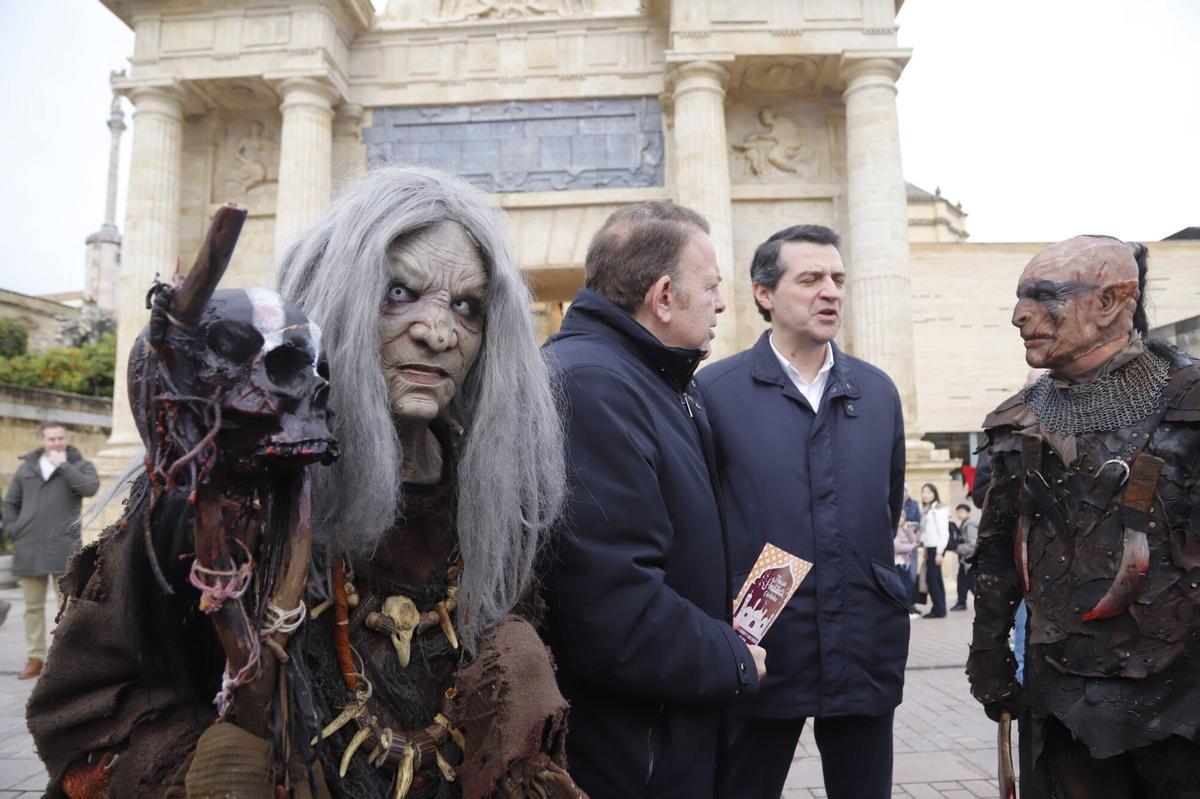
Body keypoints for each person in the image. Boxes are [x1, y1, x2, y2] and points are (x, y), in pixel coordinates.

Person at [28, 166, 586, 798]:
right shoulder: (221, 489)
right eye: (398, 293)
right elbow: (88, 711)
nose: (438, 333)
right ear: (334, 299)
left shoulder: (488, 502)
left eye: (467, 306)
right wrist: (208, 776)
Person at [541, 201, 765, 798]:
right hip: (632, 752)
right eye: (712, 287)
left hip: (666, 730)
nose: (722, 303)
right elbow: (612, 610)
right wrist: (734, 658)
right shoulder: (591, 386)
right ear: (664, 296)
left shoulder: (657, 381)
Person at [967, 235, 1200, 796]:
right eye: (1020, 297)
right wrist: (989, 656)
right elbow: (998, 554)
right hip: (1064, 698)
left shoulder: (1191, 402)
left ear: (1112, 301)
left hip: (1184, 699)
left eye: (1045, 296)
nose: (1020, 316)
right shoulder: (1017, 421)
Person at [696, 224, 908, 799]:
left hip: (864, 637)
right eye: (811, 278)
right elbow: (700, 521)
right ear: (765, 294)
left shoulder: (877, 392)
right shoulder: (713, 392)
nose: (831, 291)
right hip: (759, 642)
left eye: (838, 279)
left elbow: (885, 508)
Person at [2, 421, 98, 680]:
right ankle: (36, 659)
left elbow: (90, 488)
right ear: (43, 441)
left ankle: (63, 659)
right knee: (32, 608)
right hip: (29, 547)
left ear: (66, 439)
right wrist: (15, 529)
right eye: (50, 439)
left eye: (59, 438)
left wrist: (63, 466)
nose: (55, 443)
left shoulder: (79, 465)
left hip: (63, 547)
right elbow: (10, 504)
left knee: (66, 606)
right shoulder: (27, 469)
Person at [917, 483, 949, 619]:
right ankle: (940, 608)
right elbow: (926, 532)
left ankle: (938, 609)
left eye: (928, 492)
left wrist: (939, 553)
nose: (925, 495)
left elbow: (943, 532)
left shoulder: (938, 509)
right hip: (930, 547)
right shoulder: (927, 509)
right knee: (937, 579)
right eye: (923, 492)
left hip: (937, 547)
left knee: (931, 579)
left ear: (934, 494)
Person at [951, 503, 978, 611]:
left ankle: (963, 602)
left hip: (969, 560)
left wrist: (957, 547)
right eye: (958, 512)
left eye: (962, 512)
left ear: (968, 513)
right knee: (962, 581)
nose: (959, 514)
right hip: (965, 560)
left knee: (972, 583)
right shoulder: (964, 524)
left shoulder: (970, 525)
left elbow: (973, 545)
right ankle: (961, 602)